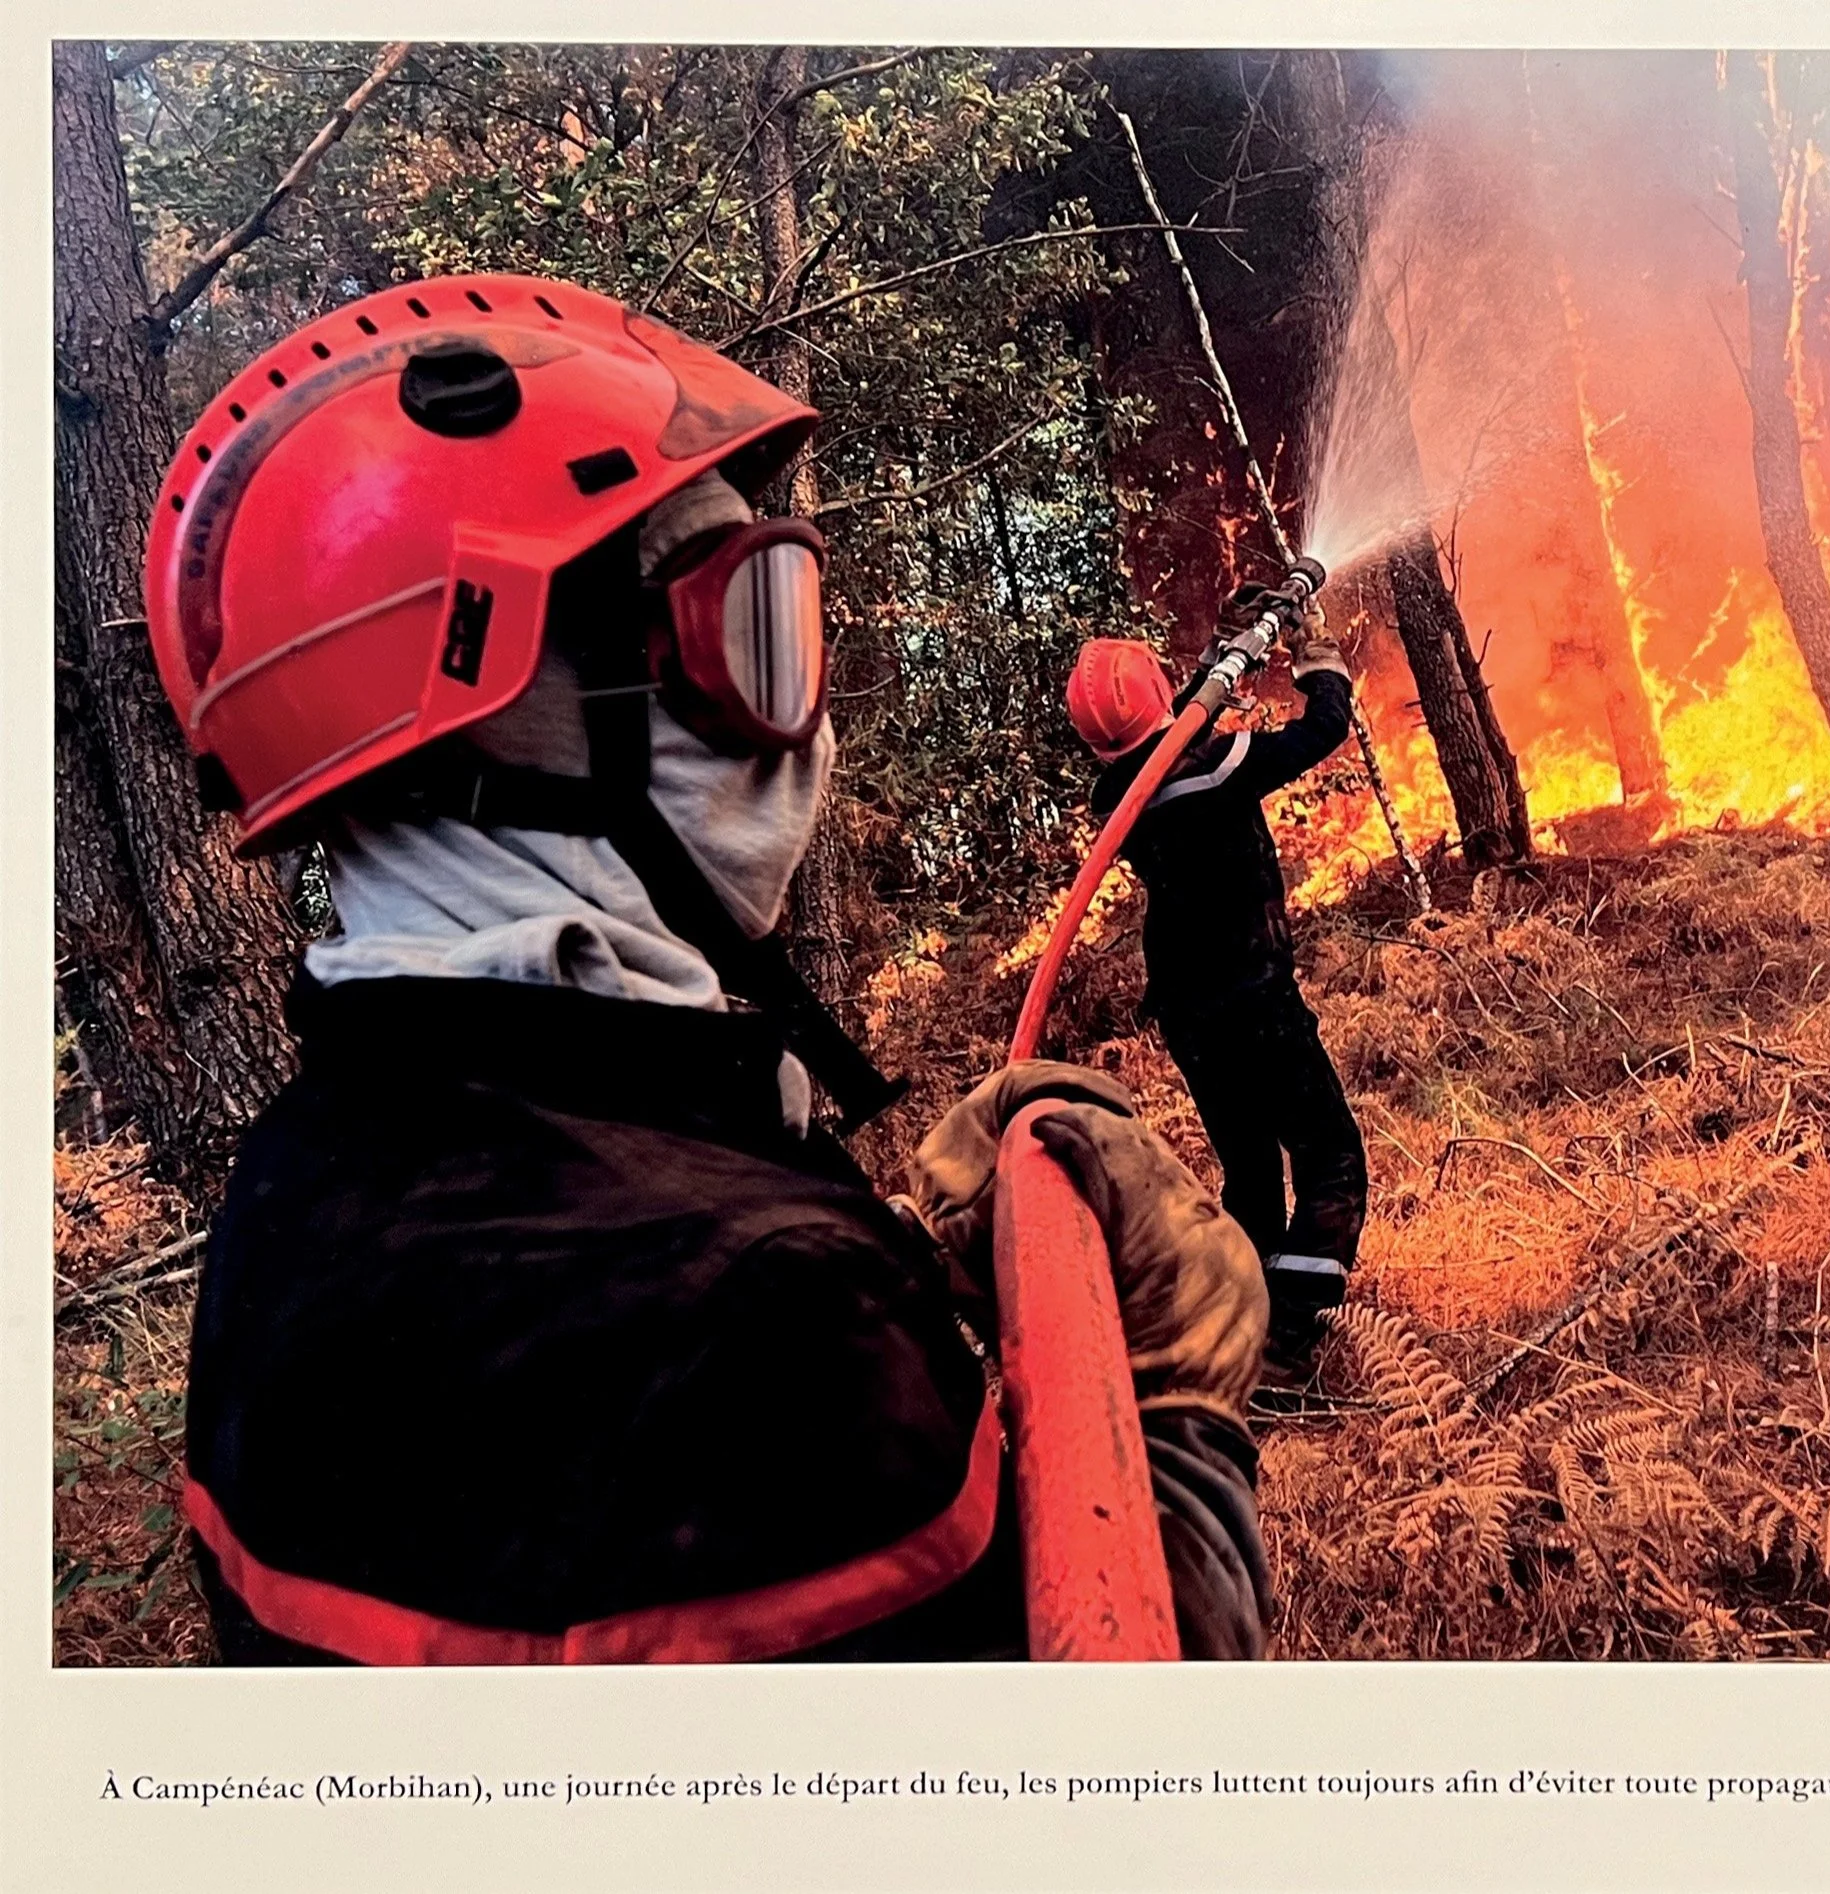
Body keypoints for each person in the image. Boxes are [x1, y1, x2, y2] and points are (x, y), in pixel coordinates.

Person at [142, 273, 1272, 1663]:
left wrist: (895, 1265)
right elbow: (1081, 1771)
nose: (808, 729)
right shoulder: (763, 1326)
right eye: (751, 628)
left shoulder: (305, 1176)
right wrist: (1168, 1411)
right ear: (506, 716)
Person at [1065, 601, 1372, 1370]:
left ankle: (1237, 1326)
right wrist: (1319, 661)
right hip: (1255, 999)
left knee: (1252, 1173)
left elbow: (1168, 731)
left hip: (1190, 1013)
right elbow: (1321, 730)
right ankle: (1289, 1338)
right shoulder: (1219, 771)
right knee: (1331, 1159)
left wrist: (1222, 658)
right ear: (1158, 696)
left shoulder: (1119, 801)